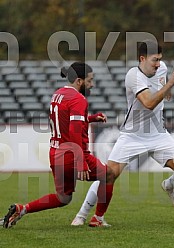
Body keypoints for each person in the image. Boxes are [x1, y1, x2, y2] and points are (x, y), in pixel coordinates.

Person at [70, 40, 174, 225]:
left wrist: (168, 89)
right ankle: (82, 215)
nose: (158, 64)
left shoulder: (162, 68)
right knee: (108, 174)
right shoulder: (133, 76)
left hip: (158, 134)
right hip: (132, 135)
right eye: (154, 60)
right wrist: (170, 84)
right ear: (142, 59)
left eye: (160, 59)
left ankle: (169, 186)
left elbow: (162, 91)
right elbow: (149, 103)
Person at [3, 62, 115, 228]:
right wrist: (81, 162)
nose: (92, 84)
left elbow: (65, 121)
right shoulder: (78, 99)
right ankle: (97, 219)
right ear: (79, 81)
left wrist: (90, 118)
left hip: (56, 153)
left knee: (64, 198)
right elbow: (74, 132)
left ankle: (23, 209)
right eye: (89, 80)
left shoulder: (58, 94)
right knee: (108, 175)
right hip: (72, 155)